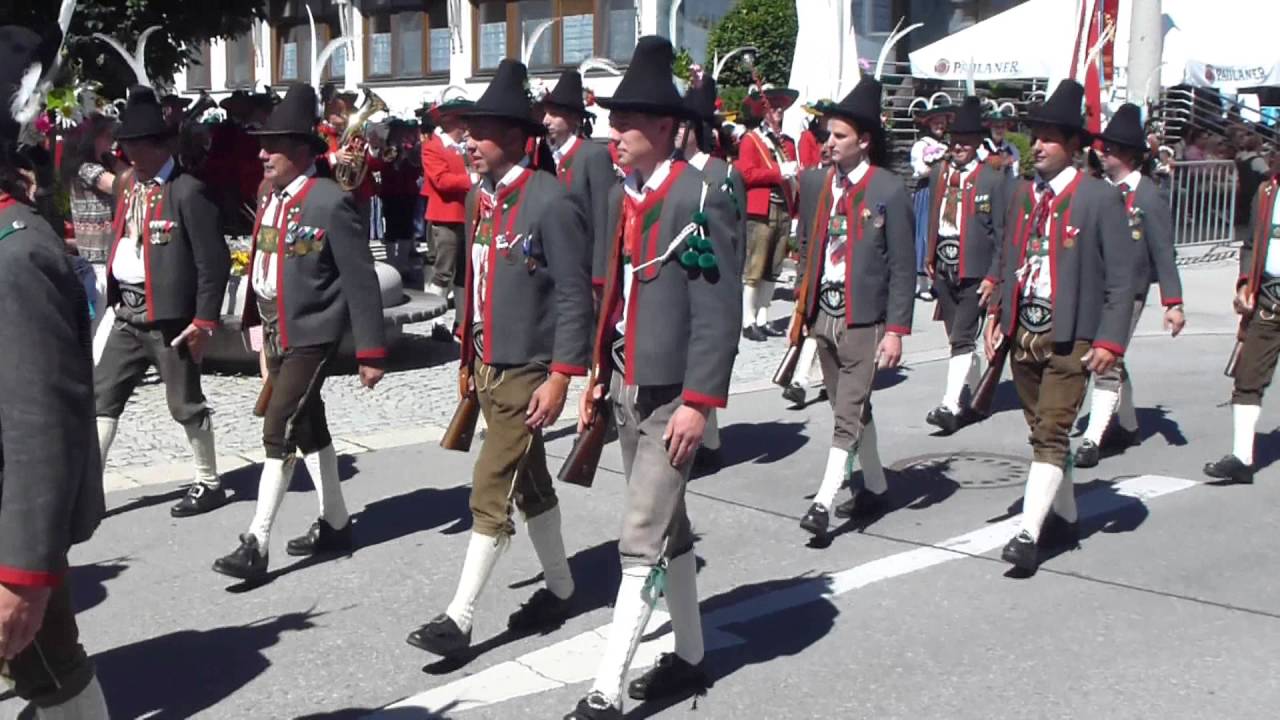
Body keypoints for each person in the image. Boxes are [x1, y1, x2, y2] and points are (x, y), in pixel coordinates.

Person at [564, 36, 740, 720]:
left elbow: (717, 310)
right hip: (627, 380)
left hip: (673, 394)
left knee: (640, 534)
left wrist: (700, 402)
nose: (616, 133)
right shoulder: (623, 192)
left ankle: (606, 688)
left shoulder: (700, 194)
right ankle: (692, 657)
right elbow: (613, 292)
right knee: (671, 530)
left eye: (629, 123)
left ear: (667, 129)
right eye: (613, 121)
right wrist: (596, 378)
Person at [405, 59, 594, 658]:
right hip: (487, 362)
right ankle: (562, 588)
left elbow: (573, 293)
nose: (467, 140)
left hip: (528, 369)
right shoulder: (480, 201)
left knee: (492, 482)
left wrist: (563, 376)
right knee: (531, 481)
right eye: (466, 129)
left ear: (515, 137)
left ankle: (457, 620)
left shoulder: (549, 201)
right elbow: (478, 281)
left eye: (479, 131)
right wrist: (466, 353)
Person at [212, 84, 387, 582]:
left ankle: (256, 540)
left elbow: (360, 278)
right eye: (264, 144)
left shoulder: (330, 201)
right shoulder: (271, 197)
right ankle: (335, 522)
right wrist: (253, 326)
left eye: (275, 145)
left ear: (303, 151)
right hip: (275, 328)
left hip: (312, 331)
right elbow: (264, 265)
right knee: (308, 425)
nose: (263, 153)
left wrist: (372, 350)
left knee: (279, 425)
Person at [0, 23, 109, 719]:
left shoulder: (15, 252)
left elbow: (41, 421)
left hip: (5, 537)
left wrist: (24, 574)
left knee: (56, 680)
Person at [984, 80, 1137, 573]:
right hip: (1024, 328)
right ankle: (1066, 515)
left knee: (1052, 430)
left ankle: (1028, 533)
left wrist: (1111, 340)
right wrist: (998, 314)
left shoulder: (1098, 198)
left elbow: (1122, 277)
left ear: (1074, 145)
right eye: (1037, 136)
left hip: (1072, 333)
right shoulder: (1022, 194)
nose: (1040, 146)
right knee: (1040, 430)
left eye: (1050, 138)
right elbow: (1010, 256)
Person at [96, 87, 232, 518]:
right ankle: (87, 490)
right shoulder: (129, 187)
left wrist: (205, 320)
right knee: (102, 396)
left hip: (171, 320)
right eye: (127, 146)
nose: (131, 154)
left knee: (183, 402)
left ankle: (209, 481)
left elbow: (214, 261)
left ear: (162, 145)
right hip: (127, 314)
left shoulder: (186, 191)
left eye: (139, 145)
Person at [792, 78, 915, 542]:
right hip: (824, 307)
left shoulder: (888, 188)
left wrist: (897, 329)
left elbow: (903, 265)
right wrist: (803, 310)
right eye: (827, 135)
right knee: (850, 403)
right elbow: (808, 247)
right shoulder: (817, 183)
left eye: (839, 137)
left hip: (864, 316)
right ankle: (877, 485)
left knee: (847, 407)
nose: (829, 144)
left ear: (864, 140)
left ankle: (824, 501)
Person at [1076, 103, 1185, 467]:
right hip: (1097, 286)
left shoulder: (1148, 196)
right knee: (1110, 354)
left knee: (1107, 357)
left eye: (1107, 149)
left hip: (1130, 290)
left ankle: (1093, 438)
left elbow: (1163, 250)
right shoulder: (1100, 190)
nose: (1101, 154)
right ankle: (1127, 425)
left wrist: (1173, 302)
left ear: (1123, 154)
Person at [923, 97, 1008, 434]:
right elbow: (930, 217)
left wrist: (993, 276)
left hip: (975, 268)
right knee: (956, 337)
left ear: (977, 144)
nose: (958, 146)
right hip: (943, 263)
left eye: (965, 141)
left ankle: (949, 404)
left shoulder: (992, 179)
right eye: (954, 140)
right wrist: (928, 257)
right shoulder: (939, 175)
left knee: (961, 336)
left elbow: (1003, 234)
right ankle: (972, 395)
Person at [678, 71, 747, 473]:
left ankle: (707, 440)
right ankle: (710, 439)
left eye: (680, 124)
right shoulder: (667, 172)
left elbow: (734, 237)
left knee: (700, 360)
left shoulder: (722, 175)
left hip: (712, 279)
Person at [1203, 140, 1280, 485]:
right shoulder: (1267, 192)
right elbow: (1251, 244)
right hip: (1268, 296)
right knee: (1248, 375)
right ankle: (1242, 457)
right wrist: (1244, 284)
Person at [542, 69, 618, 295]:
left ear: (574, 118)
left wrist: (600, 278)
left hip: (583, 271)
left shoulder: (592, 155)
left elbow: (604, 218)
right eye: (546, 113)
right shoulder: (546, 155)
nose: (546, 120)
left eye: (554, 114)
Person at [734, 82, 799, 341]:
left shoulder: (788, 143)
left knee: (774, 267)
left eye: (780, 109)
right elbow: (746, 174)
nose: (777, 113)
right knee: (755, 266)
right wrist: (777, 172)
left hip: (783, 207)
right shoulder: (751, 140)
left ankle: (763, 317)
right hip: (761, 209)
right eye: (772, 109)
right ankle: (747, 320)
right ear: (763, 112)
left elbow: (795, 178)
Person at [782, 114, 833, 408]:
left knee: (830, 328)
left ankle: (827, 378)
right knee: (809, 323)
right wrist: (801, 273)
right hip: (814, 261)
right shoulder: (811, 178)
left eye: (831, 141)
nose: (826, 147)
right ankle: (800, 379)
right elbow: (804, 231)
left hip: (840, 265)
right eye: (822, 141)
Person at [420, 98, 473, 308]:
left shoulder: (463, 147)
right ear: (451, 122)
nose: (466, 126)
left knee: (464, 270)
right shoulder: (433, 146)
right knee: (443, 270)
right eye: (463, 120)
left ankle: (460, 322)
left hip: (466, 214)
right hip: (445, 217)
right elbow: (441, 180)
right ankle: (436, 321)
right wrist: (472, 179)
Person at [61, 113, 125, 263]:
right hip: (97, 257)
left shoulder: (105, 161)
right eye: (106, 135)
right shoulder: (85, 168)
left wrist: (111, 158)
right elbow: (121, 185)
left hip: (108, 249)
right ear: (92, 139)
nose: (111, 138)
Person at [910, 105, 950, 301]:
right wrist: (937, 164)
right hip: (927, 190)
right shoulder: (921, 145)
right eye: (936, 122)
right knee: (924, 233)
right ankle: (921, 283)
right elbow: (919, 169)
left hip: (944, 191)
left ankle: (937, 280)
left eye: (942, 122)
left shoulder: (949, 145)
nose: (940, 125)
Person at [978, 106, 1022, 179]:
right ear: (990, 127)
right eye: (996, 126)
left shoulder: (1012, 149)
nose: (999, 130)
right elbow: (991, 163)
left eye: (1002, 127)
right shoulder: (981, 146)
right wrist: (1007, 160)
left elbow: (1014, 174)